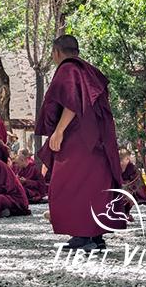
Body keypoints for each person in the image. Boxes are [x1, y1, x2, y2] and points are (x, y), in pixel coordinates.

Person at [36, 35, 125, 251]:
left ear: (57, 52)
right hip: (98, 139)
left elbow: (73, 102)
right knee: (94, 185)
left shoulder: (68, 69)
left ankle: (82, 236)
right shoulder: (90, 70)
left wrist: (58, 131)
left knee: (67, 185)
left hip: (78, 139)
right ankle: (95, 236)